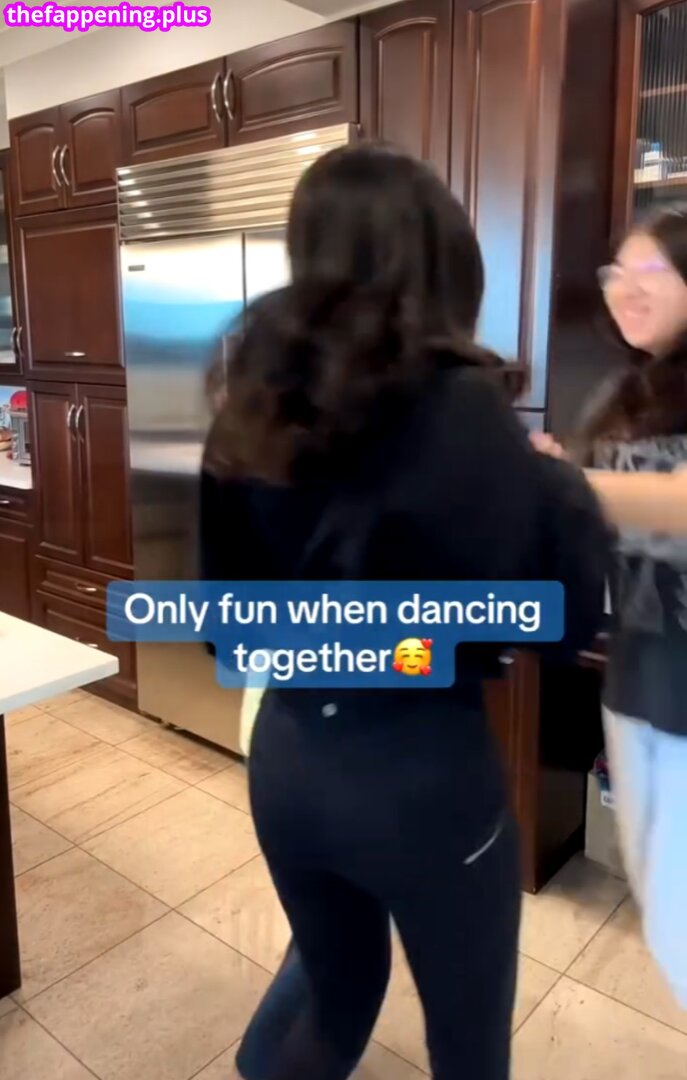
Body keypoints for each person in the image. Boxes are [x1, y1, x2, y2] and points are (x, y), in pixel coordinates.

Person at [201, 143, 610, 1080]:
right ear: (446, 266)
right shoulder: (467, 412)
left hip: (289, 766)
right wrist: (559, 491)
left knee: (336, 992)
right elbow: (560, 625)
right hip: (421, 783)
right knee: (466, 1043)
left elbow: (229, 632)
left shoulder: (250, 412)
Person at [538, 206, 687, 1008]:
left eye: (650, 271)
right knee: (662, 901)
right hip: (634, 682)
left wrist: (562, 484)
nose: (625, 289)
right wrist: (557, 463)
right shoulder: (624, 388)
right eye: (614, 273)